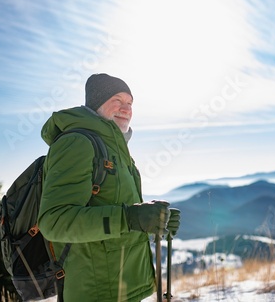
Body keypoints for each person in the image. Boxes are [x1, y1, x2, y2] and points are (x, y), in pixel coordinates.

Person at [38, 73, 181, 301]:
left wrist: (156, 220)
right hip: (95, 292)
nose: (126, 108)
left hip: (126, 286)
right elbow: (54, 221)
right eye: (117, 99)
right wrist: (130, 218)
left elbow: (121, 208)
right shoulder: (77, 143)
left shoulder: (116, 149)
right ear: (96, 103)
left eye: (130, 103)